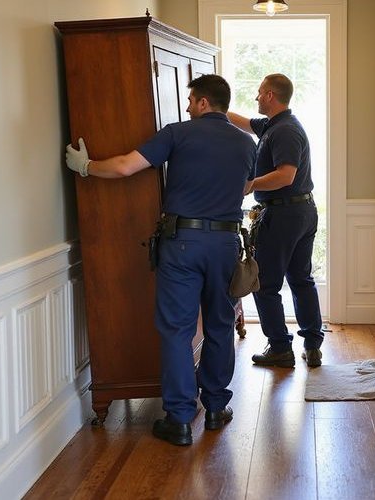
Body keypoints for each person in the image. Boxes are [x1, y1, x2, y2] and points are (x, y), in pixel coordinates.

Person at [65, 74, 256, 446]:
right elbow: (247, 185)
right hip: (225, 243)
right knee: (219, 324)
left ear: (203, 102)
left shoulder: (178, 133)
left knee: (177, 330)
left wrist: (86, 166)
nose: (187, 107)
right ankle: (215, 408)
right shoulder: (246, 142)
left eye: (191, 100)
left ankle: (180, 420)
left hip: (182, 242)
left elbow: (125, 166)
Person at [227, 73, 324, 369]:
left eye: (259, 92)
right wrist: (215, 109)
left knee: (266, 283)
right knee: (301, 279)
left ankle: (280, 348)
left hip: (284, 215)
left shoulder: (285, 131)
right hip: (299, 212)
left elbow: (286, 176)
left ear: (270, 95)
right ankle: (312, 345)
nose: (256, 97)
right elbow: (242, 122)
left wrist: (250, 185)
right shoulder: (273, 125)